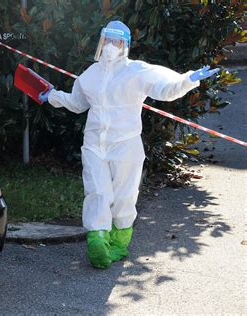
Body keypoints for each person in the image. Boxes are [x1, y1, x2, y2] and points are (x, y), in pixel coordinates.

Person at [36, 20, 219, 269]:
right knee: (98, 192)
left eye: (117, 41)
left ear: (126, 45)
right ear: (101, 42)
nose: (111, 46)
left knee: (124, 195)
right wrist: (53, 96)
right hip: (94, 144)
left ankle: (120, 243)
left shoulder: (136, 72)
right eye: (107, 40)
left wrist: (188, 81)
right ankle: (97, 240)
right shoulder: (90, 75)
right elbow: (77, 103)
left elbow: (165, 89)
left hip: (126, 145)